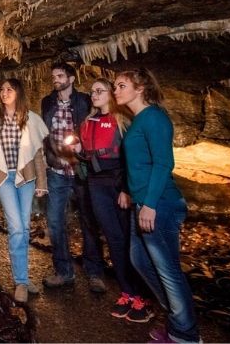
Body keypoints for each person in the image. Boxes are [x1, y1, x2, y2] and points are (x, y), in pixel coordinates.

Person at [114, 68, 200, 343]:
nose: (116, 90)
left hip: (160, 204)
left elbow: (164, 164)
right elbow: (139, 164)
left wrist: (149, 204)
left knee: (168, 271)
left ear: (140, 88)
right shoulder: (137, 120)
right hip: (143, 202)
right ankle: (178, 320)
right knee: (139, 261)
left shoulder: (154, 119)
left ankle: (185, 334)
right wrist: (128, 191)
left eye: (121, 85)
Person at [67, 78, 152, 322]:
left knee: (129, 239)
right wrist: (78, 153)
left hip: (118, 182)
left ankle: (141, 296)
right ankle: (126, 292)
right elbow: (86, 156)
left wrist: (126, 189)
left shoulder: (122, 120)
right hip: (96, 183)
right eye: (92, 91)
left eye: (99, 91)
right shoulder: (86, 123)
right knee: (113, 238)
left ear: (110, 95)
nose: (93, 95)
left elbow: (130, 157)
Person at [0, 77, 49, 303]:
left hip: (25, 177)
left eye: (9, 89)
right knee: (17, 227)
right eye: (2, 89)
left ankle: (24, 279)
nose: (4, 92)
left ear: (18, 93)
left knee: (25, 228)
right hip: (3, 177)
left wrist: (42, 183)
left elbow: (37, 153)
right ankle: (20, 282)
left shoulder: (30, 118)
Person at [40, 62, 106, 292]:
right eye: (53, 76)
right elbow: (45, 135)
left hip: (81, 170)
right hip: (57, 170)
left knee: (88, 221)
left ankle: (95, 273)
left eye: (59, 75)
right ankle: (63, 271)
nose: (55, 79)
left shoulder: (85, 101)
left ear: (71, 78)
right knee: (56, 222)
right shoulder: (47, 102)